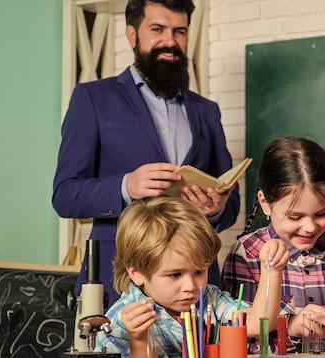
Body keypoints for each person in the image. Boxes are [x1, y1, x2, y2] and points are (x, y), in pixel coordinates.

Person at [52, 0, 239, 305]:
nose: (170, 41)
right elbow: (64, 195)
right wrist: (125, 186)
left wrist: (215, 208)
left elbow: (231, 201)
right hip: (117, 282)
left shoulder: (207, 111)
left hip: (196, 286)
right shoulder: (92, 98)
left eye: (179, 31)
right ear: (131, 35)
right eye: (157, 29)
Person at [221, 136, 325, 354]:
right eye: (294, 217)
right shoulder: (247, 255)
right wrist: (289, 328)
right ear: (265, 203)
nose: (310, 227)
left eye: (321, 213)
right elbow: (236, 340)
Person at [95, 196, 288, 356]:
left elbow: (258, 322)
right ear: (136, 273)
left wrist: (272, 269)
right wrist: (138, 339)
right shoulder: (119, 322)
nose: (190, 286)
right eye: (175, 274)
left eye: (198, 271)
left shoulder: (210, 299)